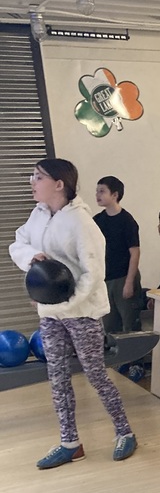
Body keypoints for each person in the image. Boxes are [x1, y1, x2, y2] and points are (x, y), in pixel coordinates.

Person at [9, 158, 137, 468]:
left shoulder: (81, 222)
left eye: (38, 177)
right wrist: (32, 257)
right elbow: (18, 242)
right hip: (51, 315)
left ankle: (125, 432)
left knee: (95, 374)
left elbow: (94, 274)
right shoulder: (38, 215)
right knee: (57, 377)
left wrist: (64, 304)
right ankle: (70, 443)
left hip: (83, 313)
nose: (31, 182)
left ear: (58, 184)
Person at [93, 175, 143, 334]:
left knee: (129, 323)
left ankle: (133, 352)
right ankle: (113, 350)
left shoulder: (127, 221)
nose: (97, 195)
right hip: (105, 278)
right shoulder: (97, 220)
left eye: (102, 191)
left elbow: (135, 252)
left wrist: (129, 282)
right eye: (97, 191)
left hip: (123, 277)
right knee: (109, 325)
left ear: (115, 195)